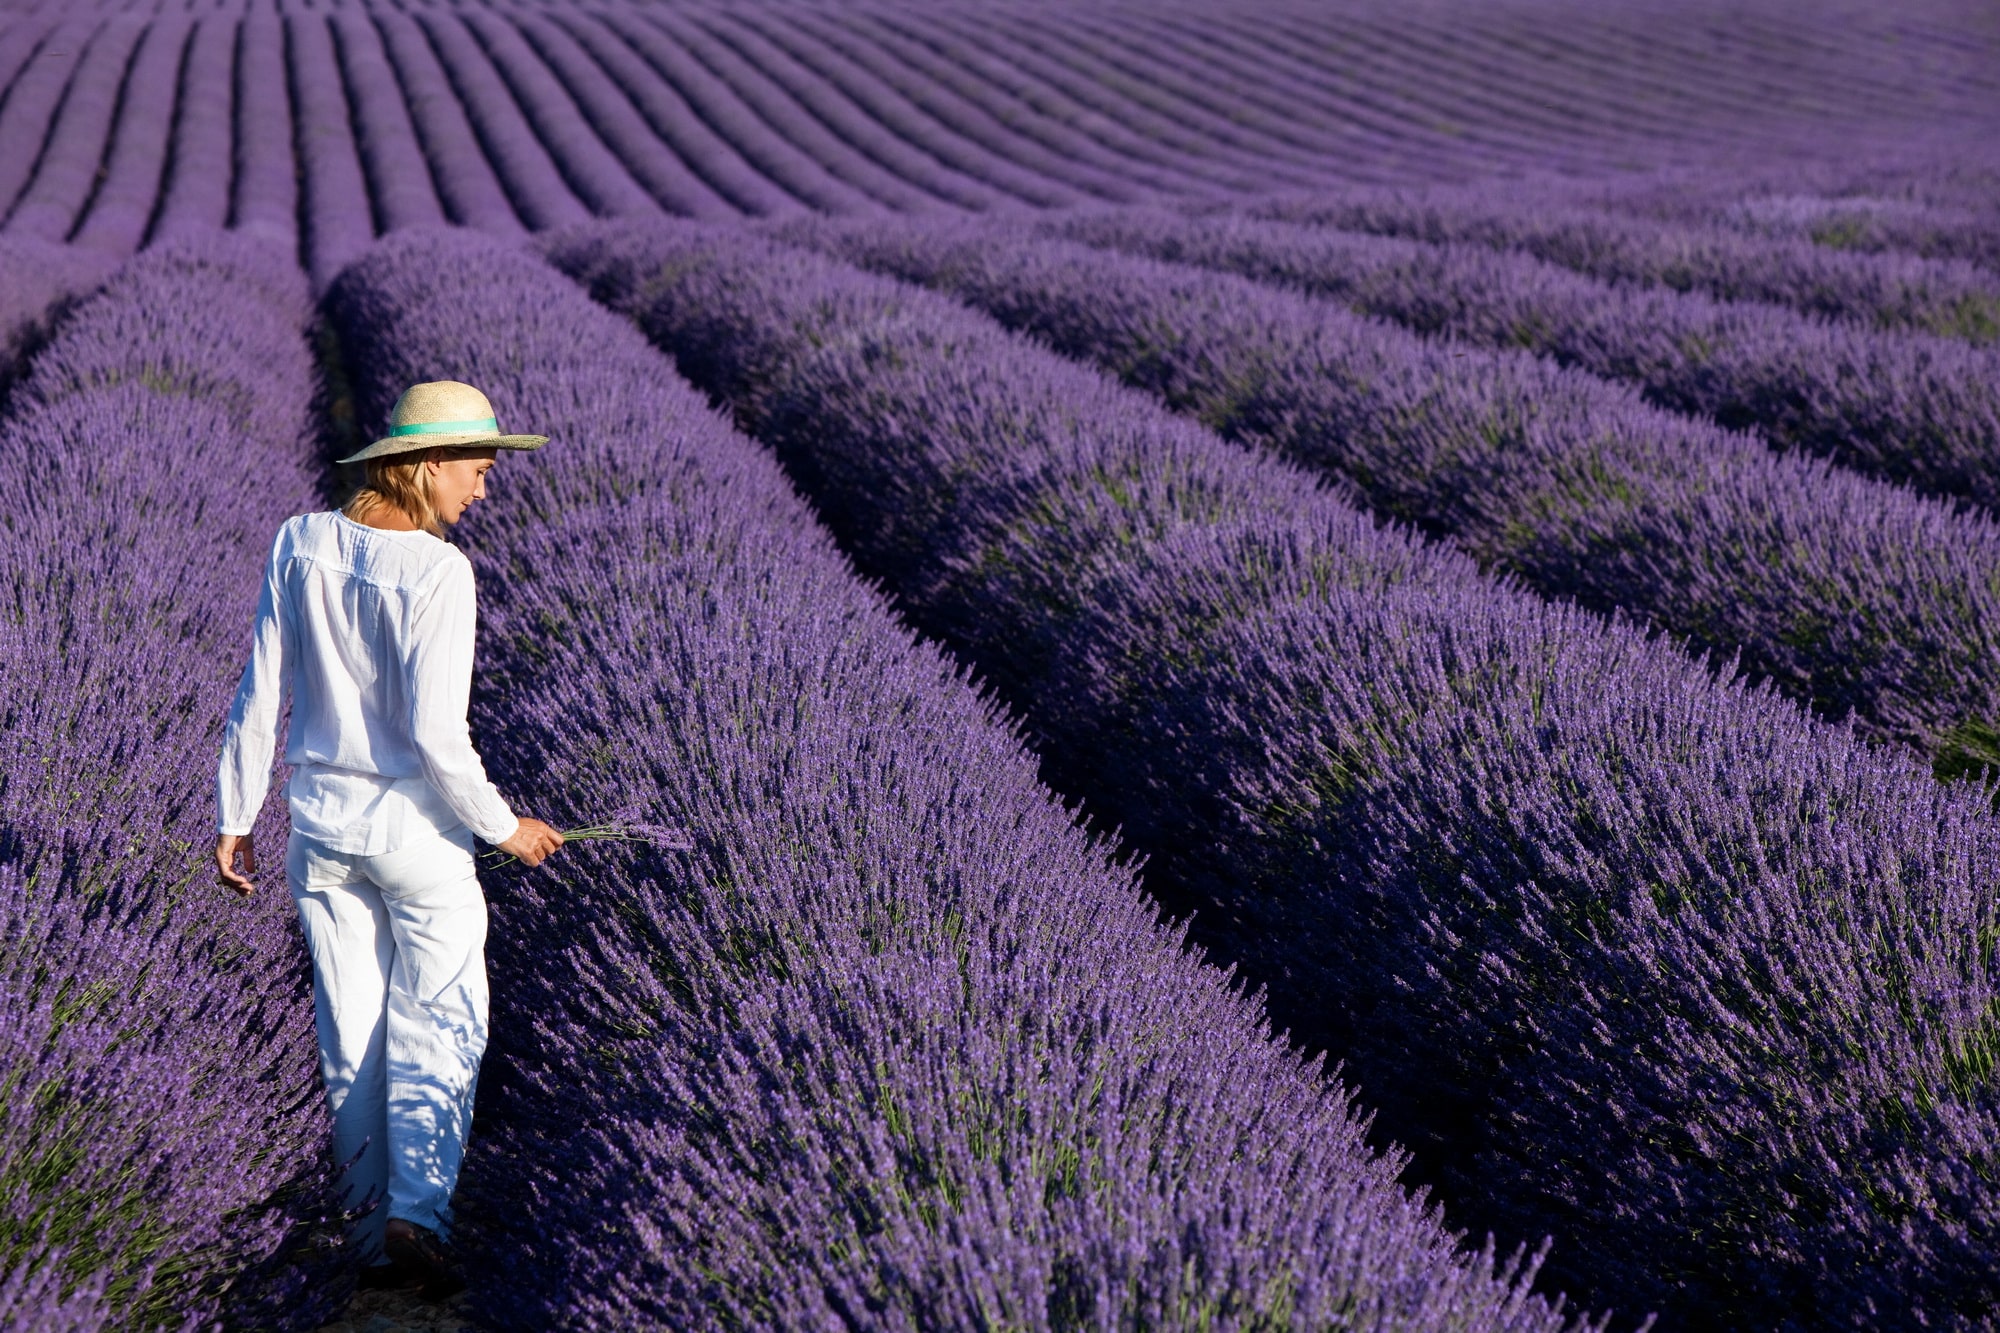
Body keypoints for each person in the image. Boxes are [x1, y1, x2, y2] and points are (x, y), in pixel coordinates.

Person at [214, 380, 563, 1299]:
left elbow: (261, 688)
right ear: (426, 467)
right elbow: (439, 737)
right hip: (414, 830)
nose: (482, 491)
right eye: (477, 471)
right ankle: (420, 1215)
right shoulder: (441, 573)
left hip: (319, 826)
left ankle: (369, 1237)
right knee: (444, 1018)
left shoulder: (300, 540)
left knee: (352, 1029)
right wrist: (507, 826)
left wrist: (236, 814)